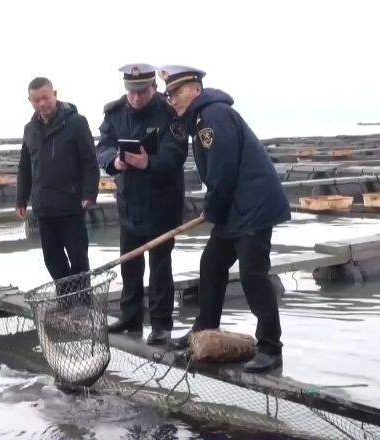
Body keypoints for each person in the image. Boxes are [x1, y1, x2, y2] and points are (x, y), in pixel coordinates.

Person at [161, 65, 291, 372]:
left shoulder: (212, 117)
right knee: (212, 264)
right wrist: (218, 210)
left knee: (253, 275)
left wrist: (212, 209)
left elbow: (223, 169)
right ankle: (204, 331)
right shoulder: (202, 118)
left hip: (252, 208)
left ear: (196, 89)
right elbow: (220, 174)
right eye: (170, 95)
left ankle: (271, 348)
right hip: (235, 208)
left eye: (179, 92)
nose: (174, 100)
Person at [96, 64, 188, 345]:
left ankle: (161, 324)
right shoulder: (114, 112)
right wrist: (115, 161)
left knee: (161, 266)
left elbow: (177, 155)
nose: (135, 98)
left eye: (142, 92)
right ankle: (131, 316)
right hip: (129, 200)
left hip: (162, 201)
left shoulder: (170, 113)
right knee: (130, 263)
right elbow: (103, 147)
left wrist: (150, 162)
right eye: (131, 92)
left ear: (154, 88)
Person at [16, 77, 100, 282]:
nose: (42, 104)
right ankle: (65, 302)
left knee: (78, 259)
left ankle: (83, 304)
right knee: (52, 260)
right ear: (30, 101)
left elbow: (90, 161)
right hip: (43, 207)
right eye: (36, 100)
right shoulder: (30, 129)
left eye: (45, 97)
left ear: (55, 94)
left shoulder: (76, 123)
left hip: (71, 204)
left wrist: (89, 194)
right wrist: (21, 199)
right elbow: (25, 166)